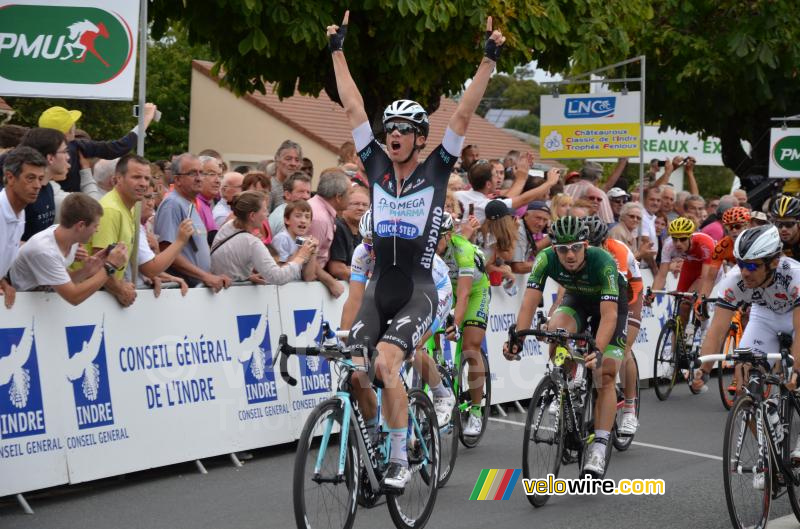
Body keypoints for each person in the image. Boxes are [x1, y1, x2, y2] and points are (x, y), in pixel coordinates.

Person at [328, 10, 504, 488]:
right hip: (380, 288)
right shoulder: (376, 167)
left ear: (420, 139)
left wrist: (487, 61)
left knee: (387, 364)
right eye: (391, 128)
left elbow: (463, 114)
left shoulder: (437, 169)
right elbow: (352, 109)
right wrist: (338, 51)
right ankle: (373, 438)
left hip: (419, 289)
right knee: (358, 372)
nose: (395, 134)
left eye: (405, 129)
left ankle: (400, 458)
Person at [504, 216, 628, 477]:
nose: (569, 254)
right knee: (556, 331)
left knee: (605, 373)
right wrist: (517, 340)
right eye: (562, 249)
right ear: (555, 248)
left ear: (585, 245)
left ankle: (599, 446)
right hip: (578, 299)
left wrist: (598, 349)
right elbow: (529, 302)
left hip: (610, 306)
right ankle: (565, 387)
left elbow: (609, 317)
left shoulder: (603, 261)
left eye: (575, 248)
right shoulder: (545, 258)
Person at [690, 227, 800, 473]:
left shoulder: (794, 275)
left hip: (796, 315)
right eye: (740, 263)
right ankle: (769, 450)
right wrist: (703, 368)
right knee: (745, 380)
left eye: (751, 266)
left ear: (772, 262)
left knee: (797, 373)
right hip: (765, 316)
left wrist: (796, 368)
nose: (744, 271)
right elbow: (717, 329)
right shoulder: (736, 280)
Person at [340, 210, 456, 427]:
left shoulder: (409, 254)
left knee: (414, 345)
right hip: (391, 292)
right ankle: (376, 433)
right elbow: (354, 299)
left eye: (376, 244)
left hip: (433, 292)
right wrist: (345, 337)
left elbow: (418, 302)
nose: (371, 251)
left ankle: (442, 393)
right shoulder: (361, 253)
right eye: (367, 243)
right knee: (364, 366)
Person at [10, 193, 129, 304]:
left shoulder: (67, 237)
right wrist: (109, 267)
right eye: (95, 226)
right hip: (16, 303)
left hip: (33, 302)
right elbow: (73, 297)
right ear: (81, 226)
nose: (97, 230)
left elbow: (62, 281)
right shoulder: (44, 250)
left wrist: (87, 271)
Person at [584, 216, 643, 435]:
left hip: (628, 296)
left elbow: (621, 295)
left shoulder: (616, 252)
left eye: (596, 245)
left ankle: (629, 409)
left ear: (604, 241)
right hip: (597, 296)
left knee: (623, 349)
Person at [436, 212, 492, 437]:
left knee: (470, 348)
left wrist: (456, 324)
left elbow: (465, 292)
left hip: (474, 291)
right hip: (446, 289)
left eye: (436, 238)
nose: (431, 243)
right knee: (427, 339)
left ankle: (476, 412)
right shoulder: (425, 249)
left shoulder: (463, 251)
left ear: (448, 236)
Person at [35, 104, 158, 193]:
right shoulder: (77, 146)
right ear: (69, 129)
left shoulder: (31, 150)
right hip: (71, 211)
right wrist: (145, 120)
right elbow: (118, 147)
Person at [154, 153, 230, 291]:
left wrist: (211, 275)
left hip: (196, 289)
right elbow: (166, 250)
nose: (199, 178)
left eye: (201, 173)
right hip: (181, 293)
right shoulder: (172, 204)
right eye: (192, 173)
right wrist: (205, 276)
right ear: (177, 179)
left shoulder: (189, 204)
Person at [85, 154, 151, 308]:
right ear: (118, 179)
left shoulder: (131, 207)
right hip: (92, 297)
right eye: (136, 177)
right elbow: (98, 263)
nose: (143, 184)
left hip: (103, 295)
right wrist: (120, 289)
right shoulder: (110, 210)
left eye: (147, 179)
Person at [211, 191, 316, 284]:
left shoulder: (229, 225)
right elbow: (278, 277)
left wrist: (246, 277)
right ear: (252, 216)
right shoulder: (252, 242)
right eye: (265, 210)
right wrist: (302, 255)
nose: (268, 214)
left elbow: (229, 267)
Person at [647, 217, 715, 329]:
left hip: (708, 270)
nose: (678, 243)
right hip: (690, 267)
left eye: (683, 239)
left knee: (693, 300)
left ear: (690, 237)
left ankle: (704, 328)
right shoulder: (668, 245)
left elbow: (705, 278)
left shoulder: (705, 243)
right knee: (682, 307)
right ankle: (677, 344)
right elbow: (661, 275)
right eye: (675, 239)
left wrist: (699, 300)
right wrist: (652, 295)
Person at [1, 147, 46, 308]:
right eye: (30, 178)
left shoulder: (20, 213)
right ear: (10, 178)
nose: (37, 185)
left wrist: (3, 283)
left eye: (41, 179)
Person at [454, 155, 559, 224]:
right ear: (488, 184)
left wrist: (521, 179)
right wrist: (549, 183)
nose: (499, 178)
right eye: (495, 175)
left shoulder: (457, 194)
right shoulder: (484, 204)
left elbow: (505, 196)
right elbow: (522, 200)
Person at [327, 184, 368, 280]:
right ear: (345, 204)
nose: (361, 208)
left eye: (365, 205)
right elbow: (337, 269)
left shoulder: (364, 232)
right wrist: (366, 274)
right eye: (356, 204)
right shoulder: (338, 227)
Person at [509, 201, 551, 274]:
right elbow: (518, 267)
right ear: (526, 215)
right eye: (538, 218)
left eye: (545, 220)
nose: (541, 224)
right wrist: (550, 264)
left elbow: (532, 252)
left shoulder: (527, 229)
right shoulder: (519, 230)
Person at [271, 200, 314, 265]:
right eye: (298, 216)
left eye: (307, 217)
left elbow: (308, 275)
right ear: (287, 220)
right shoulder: (281, 239)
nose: (303, 221)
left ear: (310, 223)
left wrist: (313, 252)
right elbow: (280, 270)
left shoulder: (301, 240)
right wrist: (301, 251)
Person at [268, 171, 312, 236]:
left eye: (308, 192)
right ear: (287, 194)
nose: (306, 197)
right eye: (301, 192)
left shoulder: (288, 211)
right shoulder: (283, 219)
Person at [269, 140, 303, 212]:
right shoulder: (269, 187)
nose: (293, 163)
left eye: (297, 160)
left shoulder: (300, 188)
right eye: (288, 159)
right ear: (277, 159)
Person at [196, 156, 222, 245]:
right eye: (212, 174)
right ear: (198, 175)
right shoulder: (194, 204)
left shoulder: (206, 203)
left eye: (219, 175)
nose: (218, 180)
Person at [770, 195, 800, 259]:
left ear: (798, 223)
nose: (783, 229)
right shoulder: (773, 241)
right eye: (779, 224)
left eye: (789, 224)